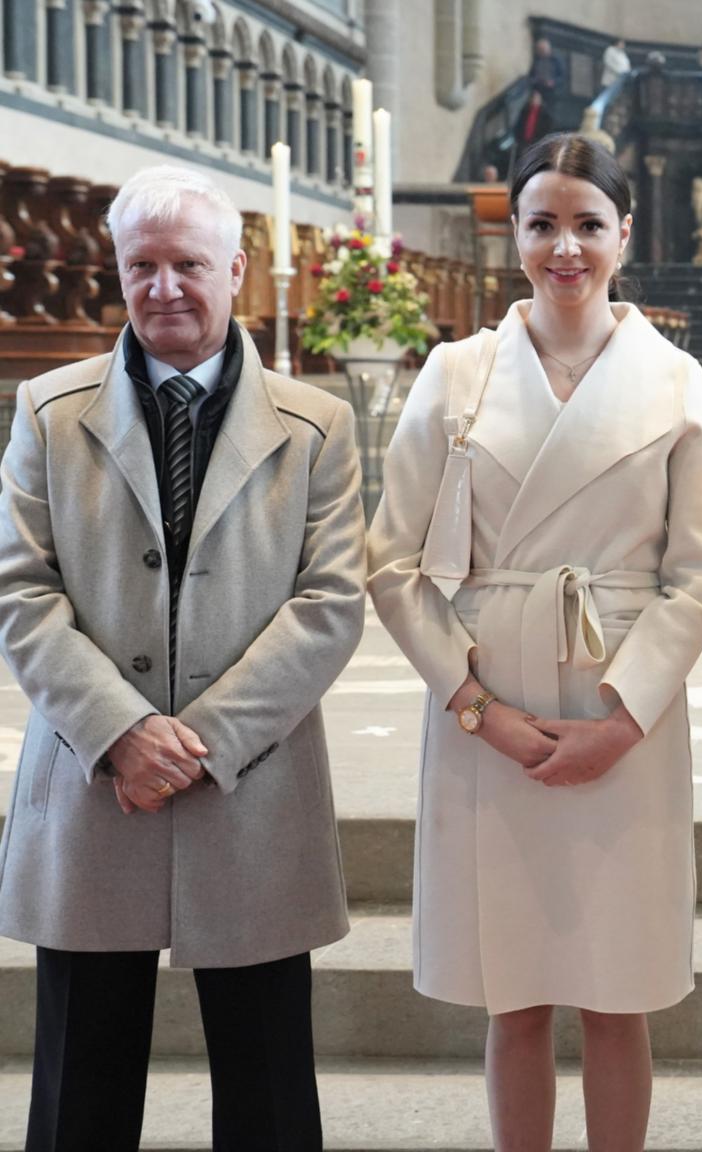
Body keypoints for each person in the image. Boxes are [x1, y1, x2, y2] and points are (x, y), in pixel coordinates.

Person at [367, 134, 702, 1151]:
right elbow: (392, 563)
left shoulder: (672, 379)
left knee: (620, 992)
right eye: (541, 224)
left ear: (624, 235)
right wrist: (476, 709)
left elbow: (700, 574)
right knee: (513, 992)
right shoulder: (456, 373)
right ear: (514, 234)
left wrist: (621, 722)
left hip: (623, 706)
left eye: (586, 225)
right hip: (491, 698)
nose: (563, 247)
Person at [0, 164, 366, 1150]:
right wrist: (121, 732)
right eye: (143, 266)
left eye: (188, 265)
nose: (166, 288)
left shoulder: (316, 425)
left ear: (237, 270)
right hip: (93, 780)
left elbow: (331, 603)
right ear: (119, 271)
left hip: (249, 786)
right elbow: (19, 592)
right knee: (81, 1084)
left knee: (269, 1088)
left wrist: (197, 740)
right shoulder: (47, 412)